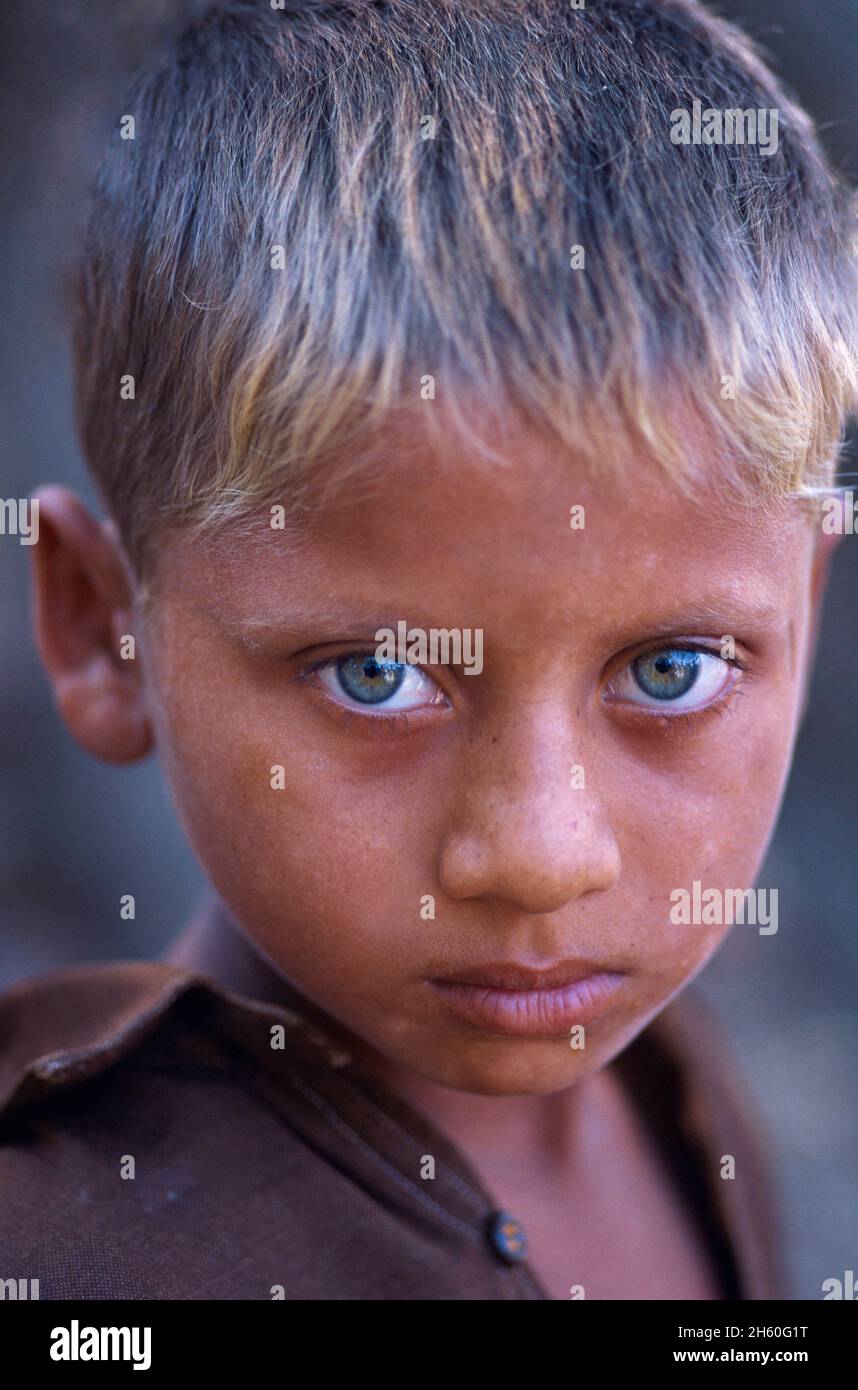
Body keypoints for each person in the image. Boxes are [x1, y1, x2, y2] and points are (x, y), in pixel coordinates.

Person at [2, 0, 856, 1300]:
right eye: (376, 676)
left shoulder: (668, 1083)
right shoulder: (74, 1256)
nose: (538, 855)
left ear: (805, 599)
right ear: (102, 627)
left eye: (671, 670)